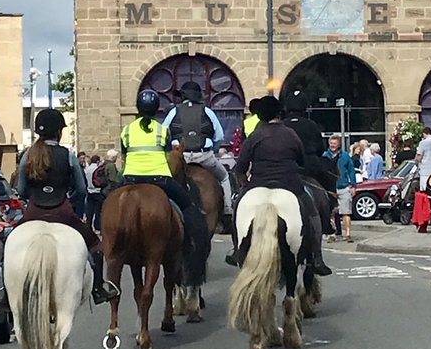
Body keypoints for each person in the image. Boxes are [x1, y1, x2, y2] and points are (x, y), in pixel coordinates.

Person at [15, 109, 117, 304]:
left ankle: (4, 293)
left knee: (10, 244)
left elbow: (20, 190)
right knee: (96, 245)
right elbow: (81, 189)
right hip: (62, 210)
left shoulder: (28, 154)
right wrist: (69, 200)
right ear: (59, 132)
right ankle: (98, 289)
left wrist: (35, 196)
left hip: (34, 210)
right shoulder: (68, 155)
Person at [233, 95, 332, 275]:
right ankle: (317, 256)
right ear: (279, 113)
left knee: (237, 207)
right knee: (311, 212)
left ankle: (236, 249)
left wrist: (244, 185)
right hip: (289, 184)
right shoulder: (290, 134)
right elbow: (301, 161)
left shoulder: (255, 135)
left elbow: (240, 167)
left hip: (258, 183)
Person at [120, 91, 203, 254]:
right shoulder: (162, 130)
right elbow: (167, 155)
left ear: (138, 108)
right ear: (156, 109)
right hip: (160, 178)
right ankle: (192, 245)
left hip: (130, 177)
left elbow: (124, 155)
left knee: (106, 202)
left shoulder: (127, 130)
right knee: (188, 205)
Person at [162, 81, 233, 217]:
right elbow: (219, 137)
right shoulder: (207, 111)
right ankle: (227, 209)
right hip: (204, 156)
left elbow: (165, 134)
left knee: (166, 180)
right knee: (224, 177)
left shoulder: (174, 111)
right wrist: (213, 149)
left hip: (181, 157)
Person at [283, 90, 337, 237]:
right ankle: (327, 220)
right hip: (308, 165)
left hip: (286, 166)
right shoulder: (311, 125)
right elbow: (321, 148)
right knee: (328, 181)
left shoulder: (282, 125)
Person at [324, 133, 356, 241]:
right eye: (331, 143)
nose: (332, 145)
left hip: (344, 186)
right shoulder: (325, 156)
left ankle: (347, 234)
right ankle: (333, 234)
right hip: (330, 188)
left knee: (346, 212)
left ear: (339, 144)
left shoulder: (345, 156)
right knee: (331, 212)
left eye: (334, 143)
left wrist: (353, 185)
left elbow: (351, 171)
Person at [84, 153, 103, 232]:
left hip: (89, 190)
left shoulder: (87, 169)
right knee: (98, 210)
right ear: (98, 161)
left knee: (90, 210)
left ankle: (88, 226)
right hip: (98, 191)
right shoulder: (98, 169)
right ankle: (97, 226)